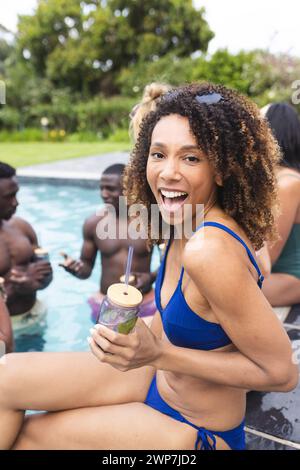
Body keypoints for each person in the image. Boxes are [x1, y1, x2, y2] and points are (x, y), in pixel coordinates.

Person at [0, 83, 298, 451]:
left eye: (191, 158)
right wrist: (131, 337)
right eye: (158, 154)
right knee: (5, 377)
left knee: (29, 437)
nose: (167, 173)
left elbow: (282, 372)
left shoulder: (210, 250)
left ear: (222, 170)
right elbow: (185, 324)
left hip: (197, 430)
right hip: (156, 381)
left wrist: (158, 353)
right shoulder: (181, 222)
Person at [60, 164, 157, 323]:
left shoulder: (151, 223)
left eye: (110, 189)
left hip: (144, 302)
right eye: (101, 188)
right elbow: (86, 270)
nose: (103, 194)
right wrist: (75, 268)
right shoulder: (94, 223)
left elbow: (170, 263)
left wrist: (151, 277)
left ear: (130, 188)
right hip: (107, 303)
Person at [0, 162, 53, 335]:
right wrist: (14, 288)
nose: (16, 202)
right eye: (9, 196)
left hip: (34, 315)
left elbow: (45, 274)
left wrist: (41, 279)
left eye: (16, 194)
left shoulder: (21, 227)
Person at [260, 103, 300, 307]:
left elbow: (266, 258)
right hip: (276, 275)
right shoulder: (277, 181)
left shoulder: (288, 184)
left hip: (291, 278)